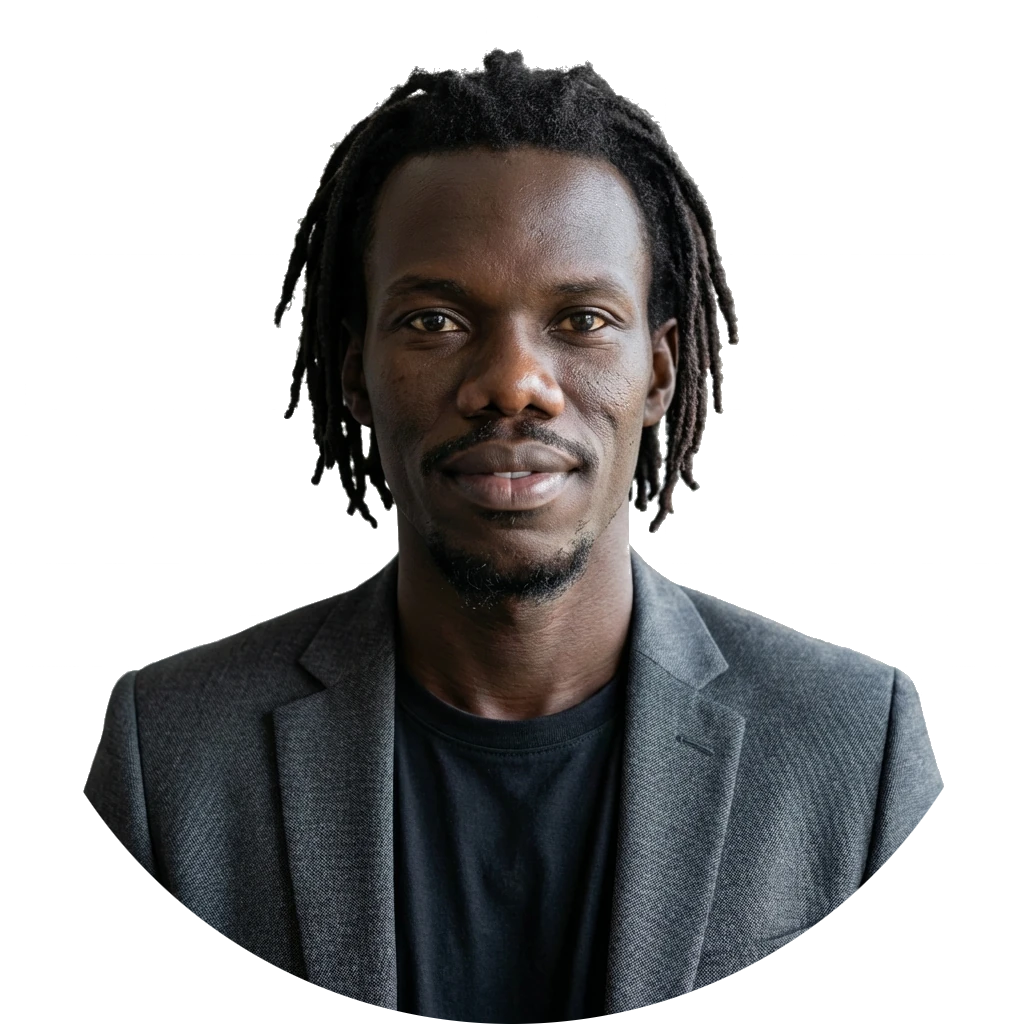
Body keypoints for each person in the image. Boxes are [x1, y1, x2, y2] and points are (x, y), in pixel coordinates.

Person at [85, 49, 943, 1022]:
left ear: (659, 373)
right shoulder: (176, 753)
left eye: (581, 319)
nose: (513, 382)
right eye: (434, 320)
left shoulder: (852, 748)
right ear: (355, 373)